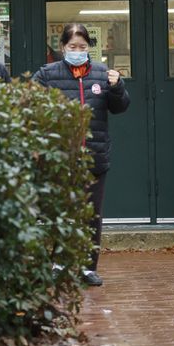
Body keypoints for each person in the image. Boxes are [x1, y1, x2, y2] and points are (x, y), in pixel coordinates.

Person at [32, 23, 130, 287]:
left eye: (82, 47)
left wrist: (118, 86)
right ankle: (59, 263)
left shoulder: (101, 73)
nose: (77, 51)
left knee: (92, 214)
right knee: (62, 212)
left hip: (94, 156)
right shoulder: (47, 74)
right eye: (72, 46)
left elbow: (120, 107)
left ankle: (88, 267)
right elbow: (29, 104)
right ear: (63, 47)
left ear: (89, 48)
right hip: (61, 157)